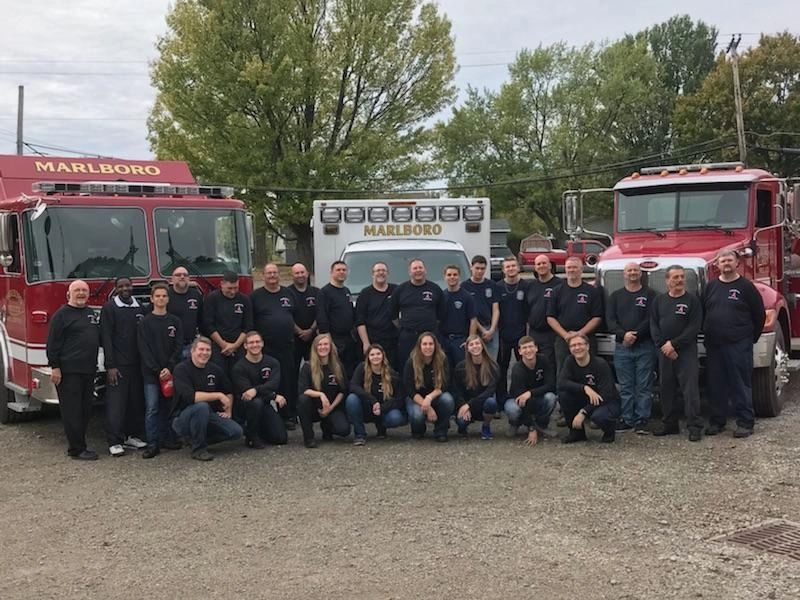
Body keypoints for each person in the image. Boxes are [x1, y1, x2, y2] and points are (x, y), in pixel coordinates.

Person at [703, 250, 765, 438]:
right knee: (716, 384)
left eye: (730, 260)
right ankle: (717, 422)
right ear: (717, 265)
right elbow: (703, 311)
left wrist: (749, 338)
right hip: (714, 345)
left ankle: (745, 422)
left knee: (740, 384)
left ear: (737, 262)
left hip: (738, 344)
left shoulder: (746, 287)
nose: (726, 263)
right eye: (723, 260)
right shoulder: (710, 286)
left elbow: (759, 315)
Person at [46, 280, 101, 460]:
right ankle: (76, 450)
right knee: (72, 411)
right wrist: (55, 367)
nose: (81, 293)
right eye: (77, 290)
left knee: (86, 410)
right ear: (68, 294)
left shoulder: (90, 313)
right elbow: (53, 344)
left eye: (84, 290)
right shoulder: (61, 315)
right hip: (69, 371)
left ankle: (81, 444)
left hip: (88, 370)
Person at [650, 266, 703, 441]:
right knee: (666, 388)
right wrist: (663, 345)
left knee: (690, 390)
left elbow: (694, 327)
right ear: (667, 281)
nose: (679, 280)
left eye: (681, 277)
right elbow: (654, 325)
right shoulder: (659, 301)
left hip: (686, 351)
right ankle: (670, 424)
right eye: (675, 277)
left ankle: (694, 426)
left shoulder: (692, 301)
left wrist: (674, 344)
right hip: (664, 351)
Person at [170, 336, 243, 461]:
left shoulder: (215, 369)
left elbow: (228, 391)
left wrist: (228, 410)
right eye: (201, 350)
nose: (204, 353)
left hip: (208, 415)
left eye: (207, 350)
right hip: (182, 417)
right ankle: (198, 450)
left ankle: (196, 440)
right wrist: (218, 395)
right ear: (192, 351)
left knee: (236, 432)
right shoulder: (181, 369)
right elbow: (191, 397)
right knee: (201, 406)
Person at [605, 262, 657, 434]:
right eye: (629, 271)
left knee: (644, 386)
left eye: (636, 270)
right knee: (626, 386)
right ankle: (627, 419)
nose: (633, 273)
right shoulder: (615, 296)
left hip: (645, 346)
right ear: (624, 274)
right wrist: (623, 334)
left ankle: (642, 419)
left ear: (640, 274)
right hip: (622, 347)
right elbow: (610, 321)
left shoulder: (650, 295)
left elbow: (651, 319)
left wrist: (634, 335)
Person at [100, 276, 147, 457]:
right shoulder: (109, 309)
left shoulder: (140, 308)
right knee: (116, 405)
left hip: (137, 364)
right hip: (118, 366)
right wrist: (110, 366)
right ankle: (115, 441)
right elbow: (106, 338)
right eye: (121, 286)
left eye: (128, 285)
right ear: (116, 289)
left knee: (135, 403)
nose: (125, 289)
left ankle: (131, 436)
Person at [137, 282, 184, 458]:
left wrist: (169, 367)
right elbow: (144, 349)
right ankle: (152, 444)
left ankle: (168, 439)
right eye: (157, 296)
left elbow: (178, 347)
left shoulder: (175, 321)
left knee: (169, 407)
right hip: (151, 374)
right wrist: (158, 370)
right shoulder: (145, 323)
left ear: (168, 299)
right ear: (152, 299)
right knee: (152, 408)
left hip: (171, 373)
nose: (161, 299)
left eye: (164, 296)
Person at [251, 263, 298, 427]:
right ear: (263, 276)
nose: (272, 276)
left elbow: (294, 316)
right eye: (269, 273)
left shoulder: (288, 293)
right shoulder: (256, 296)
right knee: (268, 381)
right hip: (265, 348)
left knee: (287, 381)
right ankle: (265, 416)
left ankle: (287, 415)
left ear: (279, 275)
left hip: (286, 345)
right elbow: (251, 323)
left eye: (275, 273)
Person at [558, 334, 620, 444]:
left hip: (606, 401)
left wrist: (584, 412)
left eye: (580, 344)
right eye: (573, 345)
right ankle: (577, 433)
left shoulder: (600, 364)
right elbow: (561, 382)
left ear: (587, 346)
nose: (577, 348)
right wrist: (585, 388)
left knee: (599, 416)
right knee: (564, 395)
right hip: (585, 398)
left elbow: (607, 394)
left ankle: (609, 431)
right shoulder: (570, 361)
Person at [232, 331, 288, 448]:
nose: (255, 345)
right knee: (256, 402)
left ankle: (260, 429)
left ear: (262, 344)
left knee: (280, 438)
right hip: (245, 406)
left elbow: (273, 384)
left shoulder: (272, 362)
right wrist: (273, 396)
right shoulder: (239, 367)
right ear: (245, 346)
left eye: (257, 342)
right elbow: (247, 393)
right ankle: (252, 437)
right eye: (251, 342)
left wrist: (256, 390)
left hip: (264, 404)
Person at [546, 256, 603, 372]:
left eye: (575, 267)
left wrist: (579, 334)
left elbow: (597, 317)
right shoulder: (557, 291)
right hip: (563, 340)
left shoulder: (592, 291)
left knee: (589, 371)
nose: (571, 270)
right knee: (563, 371)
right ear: (565, 270)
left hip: (586, 338)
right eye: (569, 267)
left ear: (581, 270)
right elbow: (550, 317)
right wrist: (566, 335)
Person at [297, 333, 351, 448]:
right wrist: (321, 395)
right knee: (303, 400)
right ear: (315, 348)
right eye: (320, 345)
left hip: (332, 407)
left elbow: (343, 391)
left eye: (326, 344)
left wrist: (330, 408)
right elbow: (303, 390)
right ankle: (309, 437)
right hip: (313, 408)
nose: (323, 347)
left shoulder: (338, 366)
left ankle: (327, 426)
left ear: (330, 347)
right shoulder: (307, 367)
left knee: (344, 430)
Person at [345, 344, 405, 445]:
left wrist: (381, 408)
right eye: (372, 354)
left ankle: (382, 427)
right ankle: (360, 435)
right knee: (352, 399)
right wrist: (373, 401)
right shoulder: (361, 368)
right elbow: (353, 386)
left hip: (383, 410)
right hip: (367, 407)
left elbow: (398, 399)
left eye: (378, 354)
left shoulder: (392, 374)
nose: (375, 357)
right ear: (368, 357)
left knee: (396, 417)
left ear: (383, 356)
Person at [390, 259, 447, 363]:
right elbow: (393, 314)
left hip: (430, 336)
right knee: (407, 365)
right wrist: (404, 326)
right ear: (409, 272)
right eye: (415, 268)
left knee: (432, 364)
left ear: (425, 270)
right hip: (408, 337)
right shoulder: (400, 290)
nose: (418, 270)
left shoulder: (435, 289)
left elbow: (441, 314)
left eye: (420, 268)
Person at [505, 336, 557, 446]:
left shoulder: (543, 360)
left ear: (536, 348)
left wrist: (530, 393)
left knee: (551, 397)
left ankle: (542, 425)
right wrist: (531, 428)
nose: (528, 350)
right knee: (512, 409)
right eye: (524, 348)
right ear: (519, 351)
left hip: (537, 397)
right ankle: (515, 423)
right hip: (518, 401)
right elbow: (521, 401)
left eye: (530, 347)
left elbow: (551, 385)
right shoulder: (517, 369)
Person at [403, 332, 454, 442]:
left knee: (448, 399)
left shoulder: (443, 359)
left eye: (431, 344)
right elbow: (409, 389)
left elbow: (445, 384)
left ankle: (441, 430)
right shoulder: (411, 362)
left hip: (435, 395)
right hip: (415, 398)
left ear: (435, 346)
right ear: (419, 346)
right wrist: (428, 407)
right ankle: (418, 430)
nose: (428, 347)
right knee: (417, 415)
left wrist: (429, 398)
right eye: (424, 344)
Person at [202, 271, 253, 379]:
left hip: (238, 346)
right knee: (220, 376)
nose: (233, 291)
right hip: (218, 346)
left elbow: (248, 326)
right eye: (229, 288)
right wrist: (224, 345)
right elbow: (208, 325)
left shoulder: (244, 300)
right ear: (222, 284)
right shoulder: (212, 298)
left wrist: (234, 346)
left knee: (239, 376)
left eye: (236, 288)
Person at [316, 261, 357, 375]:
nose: (341, 272)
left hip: (348, 338)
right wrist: (329, 341)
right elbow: (322, 317)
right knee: (336, 371)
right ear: (331, 272)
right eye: (338, 270)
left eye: (344, 270)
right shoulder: (324, 292)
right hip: (334, 339)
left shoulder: (346, 291)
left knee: (349, 370)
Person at [453, 335, 499, 440]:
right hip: (466, 405)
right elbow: (457, 390)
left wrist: (469, 405)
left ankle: (486, 426)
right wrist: (463, 405)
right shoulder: (461, 367)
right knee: (461, 423)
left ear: (482, 346)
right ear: (467, 348)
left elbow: (489, 391)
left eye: (477, 343)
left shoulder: (493, 366)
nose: (475, 346)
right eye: (471, 344)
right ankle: (463, 428)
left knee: (491, 402)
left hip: (482, 404)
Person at [355, 262, 399, 370]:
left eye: (383, 270)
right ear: (372, 274)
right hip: (373, 341)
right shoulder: (365, 294)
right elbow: (360, 321)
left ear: (388, 273)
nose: (381, 273)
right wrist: (366, 343)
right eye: (378, 271)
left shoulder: (397, 290)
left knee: (393, 371)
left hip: (393, 341)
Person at [496, 256, 529, 400]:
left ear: (518, 267)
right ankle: (501, 399)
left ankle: (521, 396)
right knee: (501, 369)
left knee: (523, 368)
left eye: (513, 266)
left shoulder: (526, 286)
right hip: (503, 336)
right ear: (503, 270)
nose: (511, 269)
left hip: (521, 335)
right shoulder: (497, 287)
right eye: (507, 266)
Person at [526, 255, 563, 369]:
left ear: (550, 266)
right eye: (538, 264)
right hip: (534, 332)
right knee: (535, 365)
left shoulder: (560, 284)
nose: (541, 266)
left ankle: (551, 387)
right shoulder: (531, 285)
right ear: (535, 267)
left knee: (550, 364)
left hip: (551, 333)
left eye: (544, 263)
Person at [439, 264, 477, 369]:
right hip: (444, 340)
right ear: (445, 277)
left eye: (455, 274)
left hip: (460, 341)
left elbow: (473, 319)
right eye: (449, 274)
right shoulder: (441, 296)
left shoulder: (467, 297)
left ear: (459, 277)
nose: (452, 277)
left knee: (462, 370)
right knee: (446, 371)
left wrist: (470, 340)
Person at [462, 255, 500, 359]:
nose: (479, 271)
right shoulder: (464, 287)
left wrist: (492, 330)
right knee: (475, 361)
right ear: (471, 267)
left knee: (491, 362)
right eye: (477, 268)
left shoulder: (492, 285)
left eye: (482, 269)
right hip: (474, 329)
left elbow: (495, 309)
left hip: (491, 330)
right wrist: (483, 330)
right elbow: (468, 313)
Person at [168, 266, 204, 359]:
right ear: (172, 279)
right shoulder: (165, 295)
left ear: (189, 278)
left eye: (185, 275)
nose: (182, 277)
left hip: (190, 345)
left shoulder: (196, 295)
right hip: (171, 346)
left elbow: (202, 320)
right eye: (178, 275)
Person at [289, 262, 318, 372]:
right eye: (297, 273)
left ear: (307, 274)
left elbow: (320, 314)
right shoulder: (287, 293)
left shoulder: (316, 292)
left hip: (313, 338)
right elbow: (287, 316)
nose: (300, 275)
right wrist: (299, 331)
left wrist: (310, 330)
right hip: (294, 339)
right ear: (292, 275)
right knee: (293, 370)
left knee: (314, 369)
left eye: (302, 272)